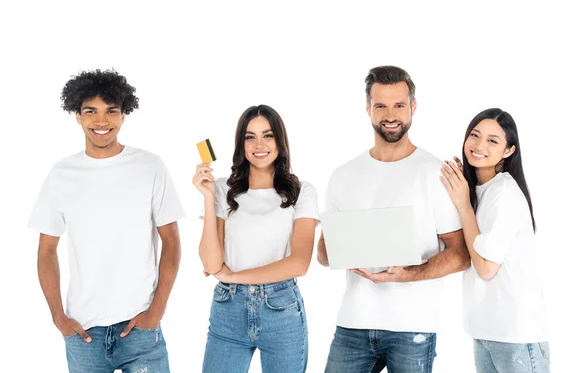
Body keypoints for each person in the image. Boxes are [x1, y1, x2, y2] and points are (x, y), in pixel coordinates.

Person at [28, 69, 185, 372]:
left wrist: (157, 310)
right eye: (91, 111)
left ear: (124, 114)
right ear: (78, 116)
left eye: (111, 111)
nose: (101, 121)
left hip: (140, 328)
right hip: (84, 333)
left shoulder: (150, 166)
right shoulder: (61, 174)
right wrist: (58, 317)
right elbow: (46, 251)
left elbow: (172, 241)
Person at [318, 65, 470, 373]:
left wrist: (410, 274)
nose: (391, 114)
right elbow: (322, 252)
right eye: (381, 106)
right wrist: (350, 252)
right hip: (352, 323)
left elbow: (461, 254)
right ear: (368, 109)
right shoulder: (343, 175)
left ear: (413, 106)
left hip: (411, 327)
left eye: (399, 105)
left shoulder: (435, 173)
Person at [193, 104, 319, 373]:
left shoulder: (301, 192)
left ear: (280, 141)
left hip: (281, 309)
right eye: (250, 136)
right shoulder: (223, 188)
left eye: (268, 135)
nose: (259, 144)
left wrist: (233, 276)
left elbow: (299, 264)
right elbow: (212, 263)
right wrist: (207, 199)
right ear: (241, 144)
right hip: (228, 308)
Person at [440, 108, 549, 372]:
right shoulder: (478, 190)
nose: (479, 145)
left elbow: (486, 268)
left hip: (515, 335)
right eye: (474, 135)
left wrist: (464, 206)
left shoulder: (504, 194)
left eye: (492, 141)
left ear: (509, 150)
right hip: (486, 332)